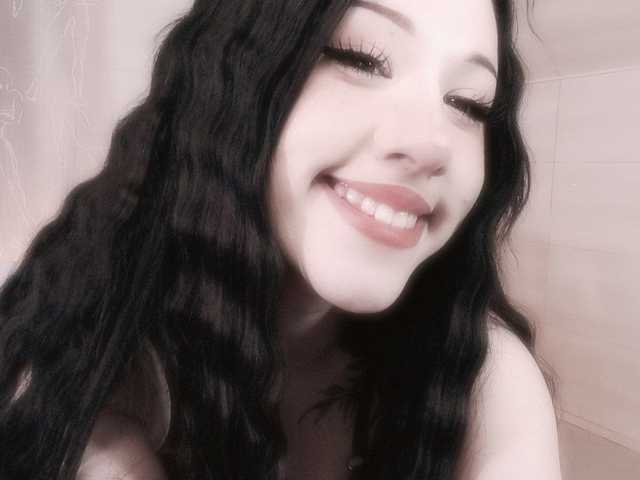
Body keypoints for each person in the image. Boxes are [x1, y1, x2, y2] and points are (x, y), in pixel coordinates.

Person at [0, 0, 562, 479]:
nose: (432, 144)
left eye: (468, 104)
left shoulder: (483, 379)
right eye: (360, 57)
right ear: (235, 74)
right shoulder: (88, 363)